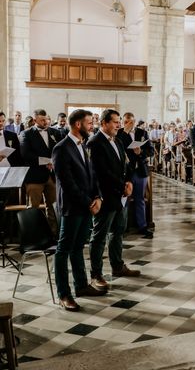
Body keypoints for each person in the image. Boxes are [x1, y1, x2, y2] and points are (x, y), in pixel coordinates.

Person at [52, 109, 106, 311]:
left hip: (86, 205)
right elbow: (67, 183)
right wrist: (88, 203)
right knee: (63, 250)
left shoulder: (82, 146)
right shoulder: (61, 148)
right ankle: (64, 294)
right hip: (72, 207)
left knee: (78, 247)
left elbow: (92, 175)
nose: (92, 126)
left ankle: (81, 286)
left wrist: (98, 196)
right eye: (90, 123)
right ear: (77, 125)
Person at [87, 109, 138, 292]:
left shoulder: (117, 140)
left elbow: (126, 163)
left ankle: (117, 266)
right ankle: (96, 274)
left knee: (118, 231)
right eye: (115, 122)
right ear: (103, 123)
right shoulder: (95, 142)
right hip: (107, 196)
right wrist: (122, 185)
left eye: (119, 122)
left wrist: (129, 181)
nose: (119, 125)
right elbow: (100, 173)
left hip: (120, 196)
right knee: (99, 236)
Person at [19, 108, 60, 235]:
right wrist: (46, 162)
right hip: (34, 176)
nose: (45, 122)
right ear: (35, 119)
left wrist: (53, 162)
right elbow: (26, 154)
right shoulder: (26, 134)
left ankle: (54, 234)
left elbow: (59, 150)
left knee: (53, 207)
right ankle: (32, 237)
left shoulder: (54, 132)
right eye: (42, 120)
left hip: (51, 175)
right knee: (33, 208)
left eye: (46, 119)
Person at [117, 112, 153, 239]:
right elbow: (117, 147)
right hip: (126, 172)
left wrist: (141, 152)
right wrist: (125, 133)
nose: (128, 124)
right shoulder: (119, 133)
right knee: (125, 199)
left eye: (131, 122)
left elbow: (151, 150)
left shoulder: (142, 133)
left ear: (135, 121)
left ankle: (142, 226)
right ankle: (122, 227)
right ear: (122, 122)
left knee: (140, 199)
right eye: (126, 122)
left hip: (140, 171)